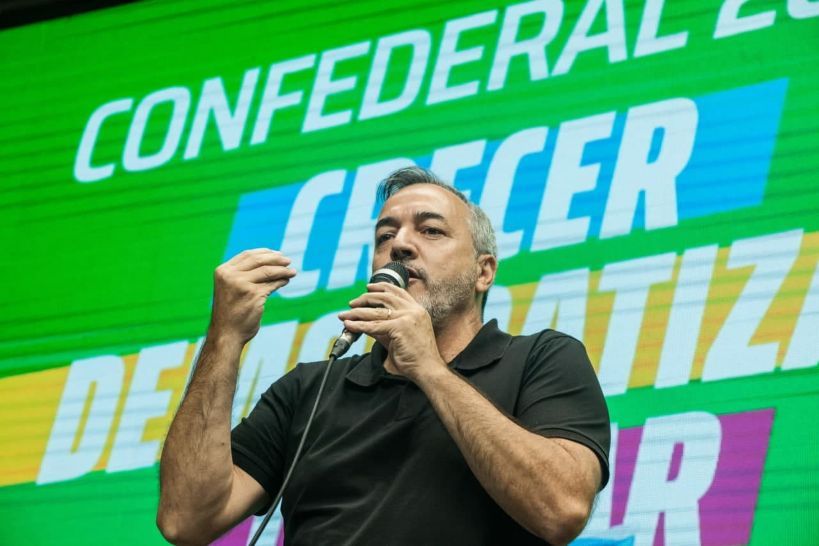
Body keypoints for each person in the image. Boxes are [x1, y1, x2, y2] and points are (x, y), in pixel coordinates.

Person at [157, 167, 610, 546]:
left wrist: (428, 368)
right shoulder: (308, 389)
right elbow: (186, 519)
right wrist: (225, 337)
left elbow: (561, 509)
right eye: (385, 235)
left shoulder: (541, 358)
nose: (400, 245)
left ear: (483, 271)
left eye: (431, 230)